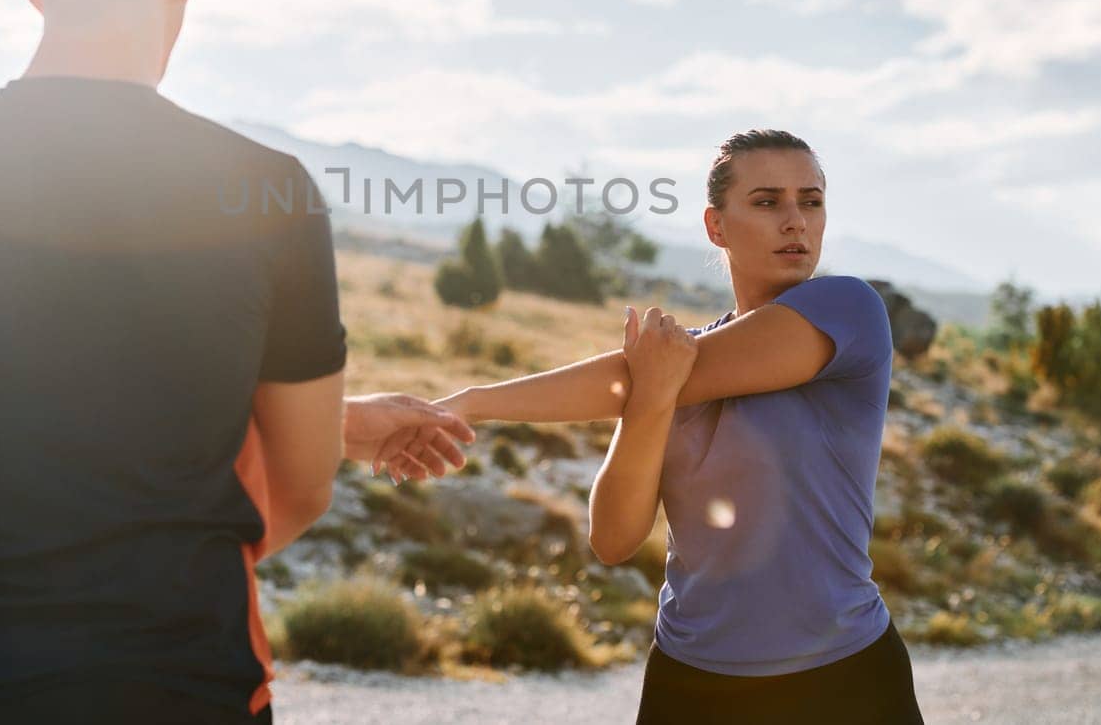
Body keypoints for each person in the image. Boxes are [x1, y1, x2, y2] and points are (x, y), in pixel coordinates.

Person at [0, 0, 470, 725]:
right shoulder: (266, 193)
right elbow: (301, 489)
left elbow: (37, 407)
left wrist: (343, 421)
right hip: (184, 685)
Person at [382, 129, 923, 724]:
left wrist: (471, 403)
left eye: (811, 201)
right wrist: (647, 400)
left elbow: (642, 378)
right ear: (716, 226)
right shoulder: (664, 370)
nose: (795, 221)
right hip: (690, 682)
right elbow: (613, 540)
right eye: (767, 202)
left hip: (843, 682)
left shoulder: (847, 310)